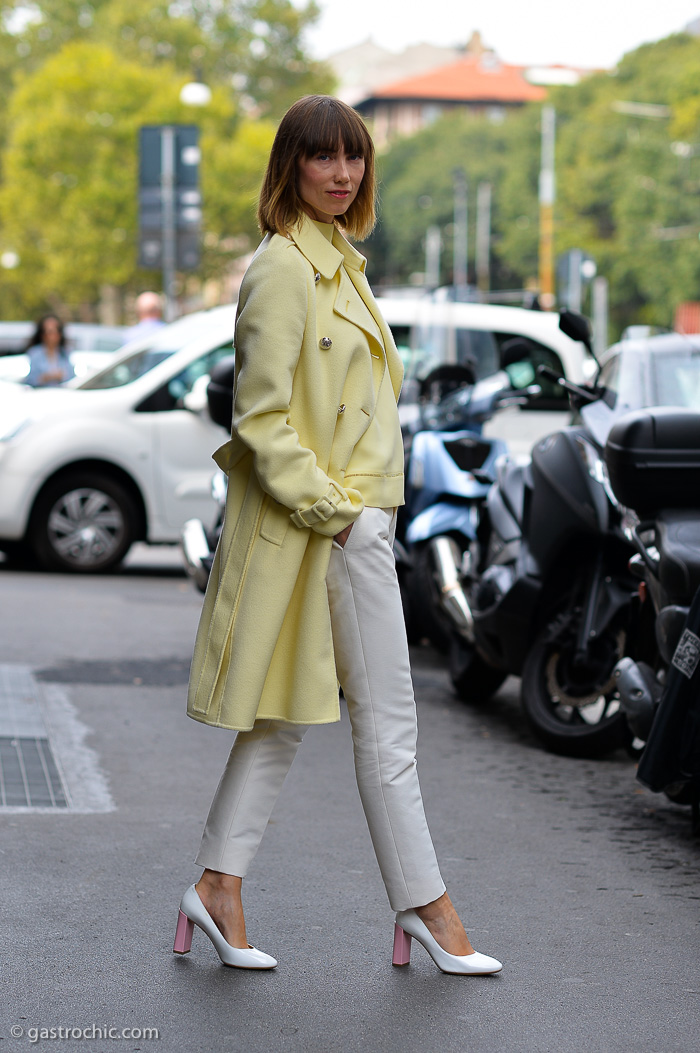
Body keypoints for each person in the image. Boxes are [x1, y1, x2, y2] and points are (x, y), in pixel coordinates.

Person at [173, 95, 502, 977]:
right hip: (330, 525)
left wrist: (362, 515)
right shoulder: (285, 268)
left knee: (286, 718)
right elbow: (261, 420)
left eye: (354, 157)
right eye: (324, 157)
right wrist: (346, 512)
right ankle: (427, 904)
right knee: (385, 722)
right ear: (292, 166)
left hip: (351, 523)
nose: (343, 172)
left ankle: (216, 882)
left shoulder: (340, 265)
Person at [24, 314, 74, 387]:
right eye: (47, 332)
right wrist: (46, 378)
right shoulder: (35, 353)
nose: (51, 336)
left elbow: (72, 378)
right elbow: (30, 380)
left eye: (54, 331)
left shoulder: (65, 352)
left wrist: (62, 376)